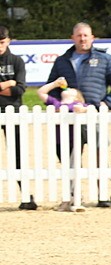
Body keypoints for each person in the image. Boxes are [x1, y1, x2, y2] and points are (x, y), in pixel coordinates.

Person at [46, 22, 111, 207]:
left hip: (94, 114)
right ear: (72, 38)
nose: (82, 39)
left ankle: (103, 195)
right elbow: (52, 86)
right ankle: (75, 195)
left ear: (92, 38)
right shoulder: (62, 61)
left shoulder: (105, 59)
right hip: (70, 117)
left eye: (85, 35)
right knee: (69, 156)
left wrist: (107, 103)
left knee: (100, 154)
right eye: (79, 35)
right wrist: (58, 104)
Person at [36, 78, 87, 212]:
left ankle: (75, 196)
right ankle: (68, 197)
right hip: (59, 141)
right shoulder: (56, 103)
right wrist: (54, 84)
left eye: (72, 90)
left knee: (74, 167)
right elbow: (41, 92)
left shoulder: (77, 104)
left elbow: (88, 109)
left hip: (74, 140)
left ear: (77, 96)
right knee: (66, 168)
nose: (68, 89)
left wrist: (81, 109)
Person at [0, 26, 35, 210]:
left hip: (12, 111)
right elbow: (13, 86)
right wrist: (8, 83)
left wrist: (12, 85)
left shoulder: (16, 61)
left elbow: (20, 89)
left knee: (17, 155)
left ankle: (26, 196)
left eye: (2, 42)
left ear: (8, 41)